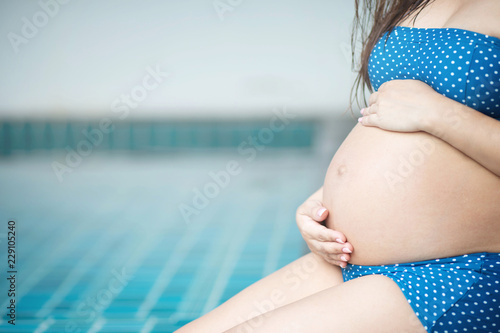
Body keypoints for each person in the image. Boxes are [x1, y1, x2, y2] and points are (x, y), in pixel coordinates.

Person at [177, 0, 500, 331]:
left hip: (455, 274)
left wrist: (439, 114)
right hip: (346, 263)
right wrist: (326, 200)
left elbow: (426, 115)